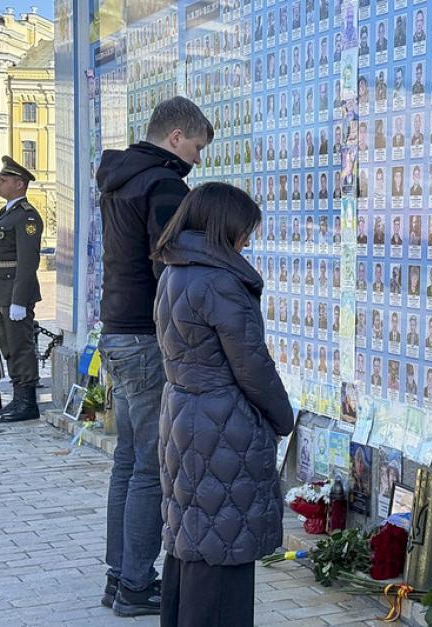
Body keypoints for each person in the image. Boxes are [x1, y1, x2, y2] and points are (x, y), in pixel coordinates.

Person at [151, 184, 293, 626]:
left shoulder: (176, 271)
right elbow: (252, 365)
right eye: (244, 230)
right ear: (223, 227)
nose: (246, 241)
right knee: (222, 551)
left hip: (182, 417)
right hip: (222, 425)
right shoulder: (220, 282)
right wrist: (283, 416)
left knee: (192, 542)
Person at [97, 96, 214, 617]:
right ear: (175, 138)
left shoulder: (121, 176)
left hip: (118, 329)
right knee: (149, 466)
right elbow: (172, 262)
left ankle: (119, 574)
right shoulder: (165, 183)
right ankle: (136, 585)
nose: (197, 158)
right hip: (147, 336)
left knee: (128, 460)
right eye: (197, 146)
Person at [0, 156, 43, 423]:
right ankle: (17, 399)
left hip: (14, 294)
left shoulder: (26, 217)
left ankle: (27, 402)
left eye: (4, 180)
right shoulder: (4, 214)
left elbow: (28, 262)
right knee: (7, 346)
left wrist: (19, 300)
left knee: (20, 346)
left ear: (20, 184)